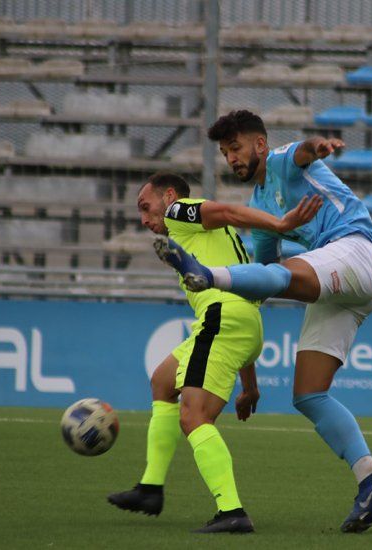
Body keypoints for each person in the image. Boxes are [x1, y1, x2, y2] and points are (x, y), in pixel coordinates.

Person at [154, 110, 372, 533]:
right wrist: (249, 380)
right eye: (225, 152)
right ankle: (371, 479)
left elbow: (303, 153)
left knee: (282, 274)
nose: (231, 158)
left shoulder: (284, 158)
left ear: (260, 145)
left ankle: (206, 275)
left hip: (353, 251)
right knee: (308, 394)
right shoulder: (261, 205)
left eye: (236, 148)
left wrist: (318, 146)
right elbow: (262, 280)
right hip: (341, 286)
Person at [108, 171, 317, 533]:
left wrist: (280, 223)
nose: (144, 219)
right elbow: (240, 305)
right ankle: (150, 488)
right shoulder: (202, 237)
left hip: (223, 318)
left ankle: (232, 511)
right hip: (238, 321)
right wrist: (249, 387)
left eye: (146, 207)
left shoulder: (179, 212)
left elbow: (227, 211)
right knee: (162, 381)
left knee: (193, 417)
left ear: (169, 196)